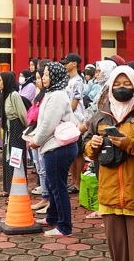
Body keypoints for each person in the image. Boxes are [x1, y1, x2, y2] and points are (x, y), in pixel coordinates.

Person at [84, 65, 134, 261]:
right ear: (110, 87)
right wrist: (93, 145)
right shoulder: (100, 116)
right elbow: (86, 146)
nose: (121, 87)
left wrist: (129, 144)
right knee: (118, 254)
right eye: (116, 84)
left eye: (126, 83)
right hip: (110, 195)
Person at [30, 62, 79, 237]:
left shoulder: (57, 95)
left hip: (59, 147)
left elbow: (48, 124)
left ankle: (64, 227)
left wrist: (35, 141)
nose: (43, 78)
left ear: (56, 77)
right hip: (52, 146)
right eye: (43, 75)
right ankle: (52, 217)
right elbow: (43, 121)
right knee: (52, 186)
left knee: (58, 187)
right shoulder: (51, 93)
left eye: (46, 75)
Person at [0, 71, 29, 196]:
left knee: (15, 157)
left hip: (16, 128)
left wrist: (27, 130)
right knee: (7, 156)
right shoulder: (3, 95)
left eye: (0, 80)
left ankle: (18, 189)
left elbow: (22, 114)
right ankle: (9, 188)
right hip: (8, 128)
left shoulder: (14, 95)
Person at [61, 53, 86, 194]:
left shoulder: (77, 81)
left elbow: (74, 104)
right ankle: (73, 180)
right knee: (71, 153)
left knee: (78, 153)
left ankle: (78, 183)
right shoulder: (68, 80)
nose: (65, 65)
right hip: (68, 120)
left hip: (76, 120)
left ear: (75, 64)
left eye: (67, 62)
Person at [29, 69, 50, 214]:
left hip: (43, 135)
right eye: (37, 78)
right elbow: (31, 113)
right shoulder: (39, 95)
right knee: (39, 167)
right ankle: (44, 196)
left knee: (44, 168)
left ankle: (48, 199)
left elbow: (38, 114)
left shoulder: (49, 96)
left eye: (41, 77)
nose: (38, 80)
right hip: (33, 132)